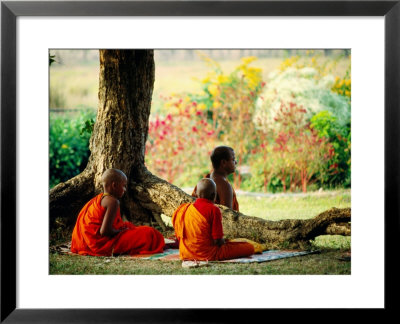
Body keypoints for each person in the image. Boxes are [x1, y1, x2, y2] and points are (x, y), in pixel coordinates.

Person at [71, 168, 165, 256]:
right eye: (124, 186)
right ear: (114, 185)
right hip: (101, 245)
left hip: (87, 243)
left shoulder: (100, 199)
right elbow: (105, 231)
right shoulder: (113, 202)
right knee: (150, 233)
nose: (125, 190)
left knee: (134, 228)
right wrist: (121, 231)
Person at [173, 178, 255, 261]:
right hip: (208, 254)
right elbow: (218, 241)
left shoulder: (185, 208)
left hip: (186, 253)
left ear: (196, 194)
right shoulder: (213, 210)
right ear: (214, 195)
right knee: (249, 247)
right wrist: (225, 242)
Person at [192, 146, 239, 211]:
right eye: (233, 159)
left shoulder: (208, 179)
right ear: (223, 163)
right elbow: (227, 217)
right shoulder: (224, 186)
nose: (236, 162)